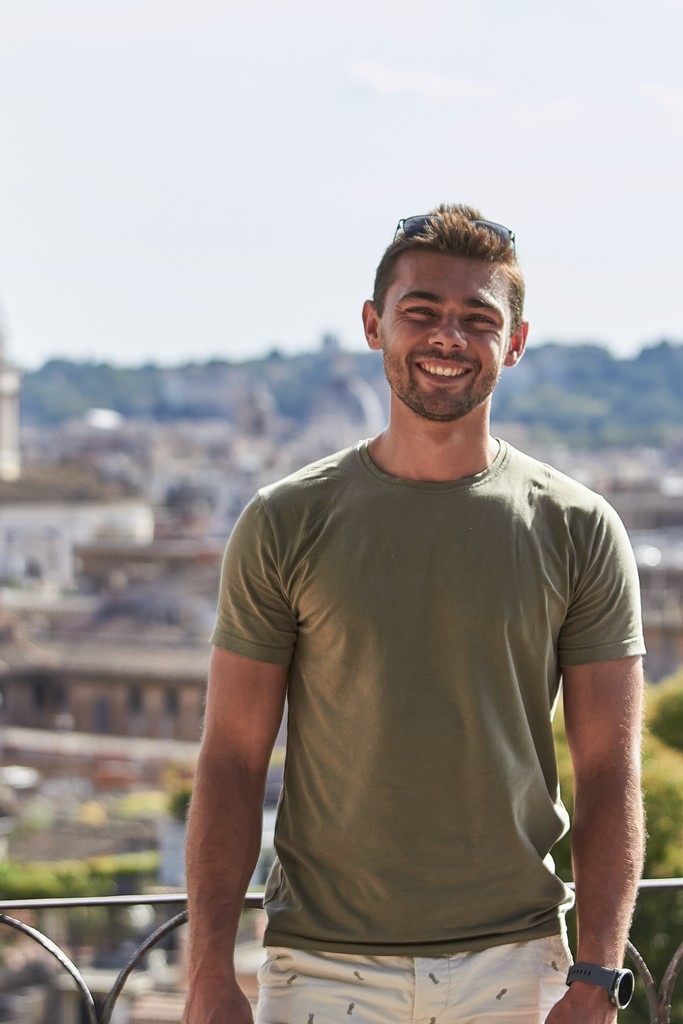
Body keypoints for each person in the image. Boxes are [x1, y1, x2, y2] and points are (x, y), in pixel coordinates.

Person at [182, 204, 645, 1024]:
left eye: (477, 319)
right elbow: (230, 759)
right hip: (319, 965)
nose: (446, 338)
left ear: (515, 342)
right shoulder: (283, 521)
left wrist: (596, 978)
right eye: (420, 313)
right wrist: (207, 975)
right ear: (373, 326)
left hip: (519, 963)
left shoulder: (577, 527)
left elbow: (609, 769)